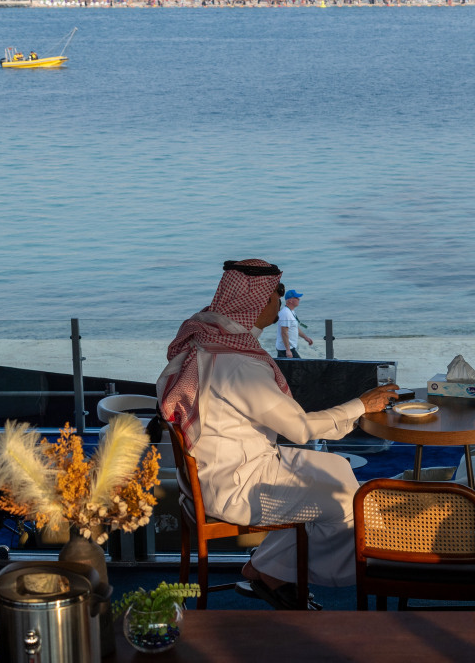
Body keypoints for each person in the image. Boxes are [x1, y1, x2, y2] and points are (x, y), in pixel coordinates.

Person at [157, 260, 397, 610]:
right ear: (256, 303)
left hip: (220, 470)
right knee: (344, 503)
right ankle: (281, 572)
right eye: (274, 296)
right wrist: (360, 405)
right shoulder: (239, 365)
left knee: (338, 469)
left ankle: (265, 566)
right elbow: (299, 429)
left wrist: (354, 413)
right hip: (236, 486)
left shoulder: (207, 340)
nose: (279, 304)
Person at [275, 289, 313, 359]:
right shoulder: (286, 313)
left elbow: (295, 327)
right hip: (285, 349)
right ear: (290, 300)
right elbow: (284, 332)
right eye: (296, 298)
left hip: (289, 348)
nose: (299, 299)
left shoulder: (291, 311)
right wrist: (288, 350)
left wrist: (305, 337)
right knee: (300, 364)